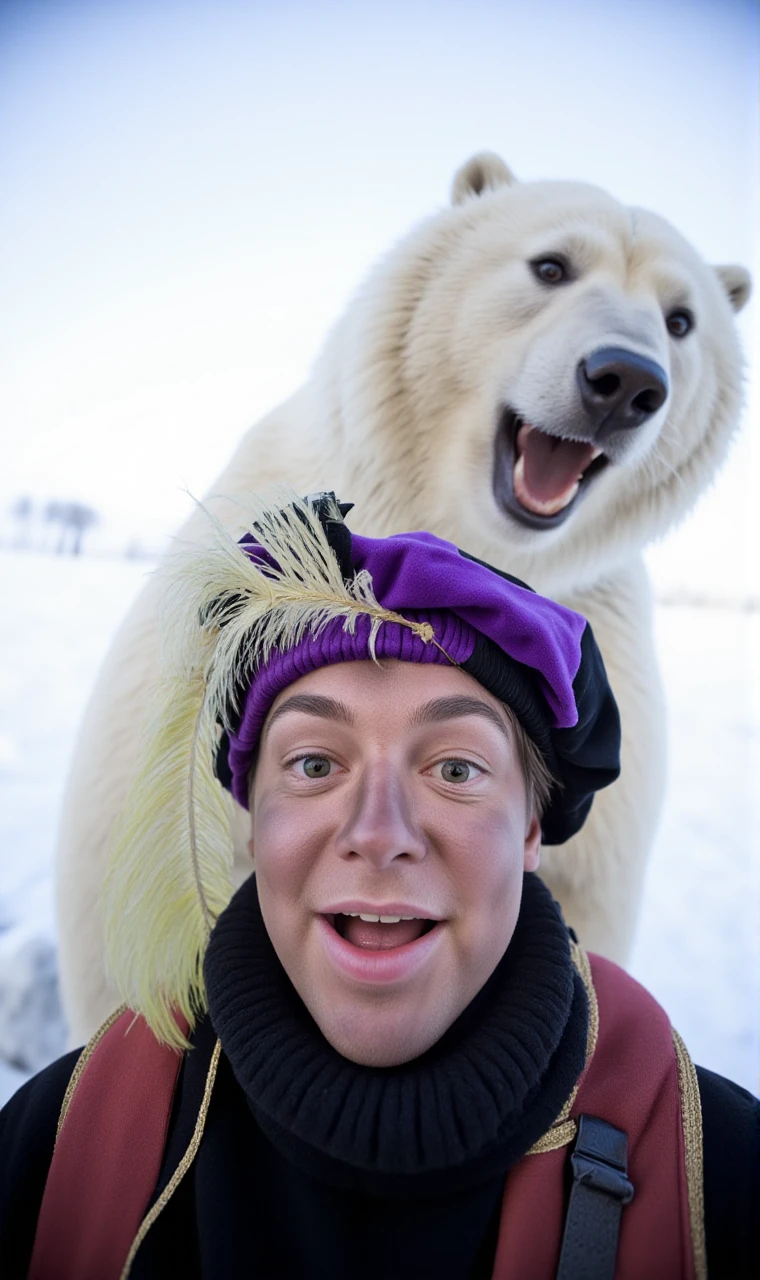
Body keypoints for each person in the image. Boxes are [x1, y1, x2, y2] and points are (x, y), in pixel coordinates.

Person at [0, 490, 757, 1280]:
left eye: (455, 769)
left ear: (531, 829)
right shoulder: (56, 1145)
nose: (378, 833)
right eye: (315, 764)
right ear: (251, 814)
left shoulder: (720, 1178)